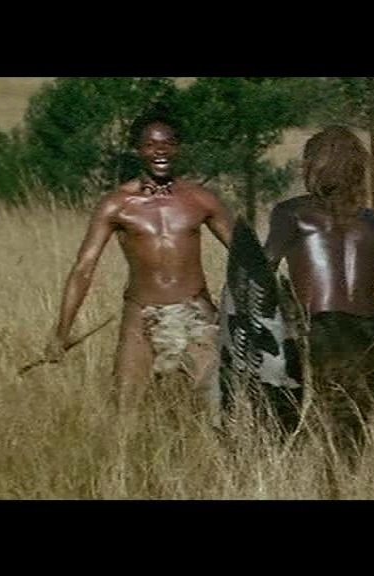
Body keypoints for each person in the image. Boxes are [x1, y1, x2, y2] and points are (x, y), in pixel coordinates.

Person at [44, 109, 234, 425]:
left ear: (178, 148)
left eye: (168, 143)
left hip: (196, 313)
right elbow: (83, 268)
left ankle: (214, 453)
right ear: (138, 150)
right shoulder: (117, 204)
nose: (160, 151)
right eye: (150, 145)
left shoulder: (201, 200)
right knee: (124, 409)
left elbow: (246, 257)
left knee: (216, 407)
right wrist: (61, 333)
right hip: (141, 315)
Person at [263, 125, 374, 446]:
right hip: (369, 342)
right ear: (357, 171)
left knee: (300, 437)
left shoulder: (292, 214)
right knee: (352, 441)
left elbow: (261, 273)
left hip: (314, 338)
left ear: (311, 167)